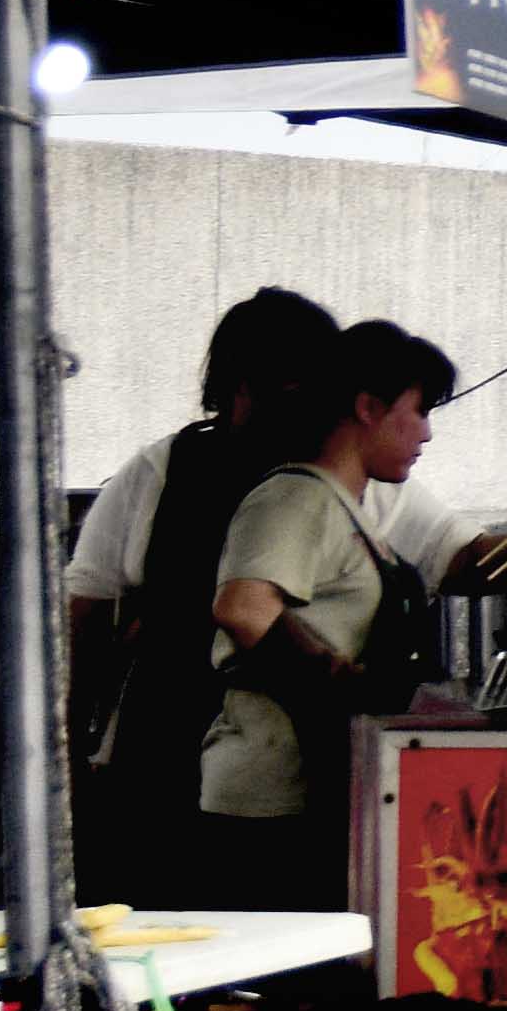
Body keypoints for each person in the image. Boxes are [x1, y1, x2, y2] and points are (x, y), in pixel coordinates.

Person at [72, 286, 344, 906]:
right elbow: (84, 613)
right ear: (242, 385)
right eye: (294, 387)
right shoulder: (160, 470)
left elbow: (449, 552)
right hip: (161, 742)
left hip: (289, 757)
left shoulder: (337, 478)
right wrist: (64, 755)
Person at [195, 320, 452, 919]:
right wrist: (339, 682)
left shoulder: (348, 510)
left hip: (320, 786)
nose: (427, 433)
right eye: (419, 411)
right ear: (367, 407)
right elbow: (243, 607)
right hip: (269, 800)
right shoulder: (296, 498)